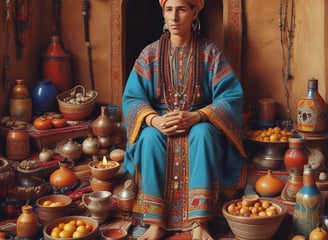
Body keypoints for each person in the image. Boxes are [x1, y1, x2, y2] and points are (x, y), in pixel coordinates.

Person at [122, 0, 247, 239]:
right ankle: (155, 222)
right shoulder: (149, 54)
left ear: (194, 12)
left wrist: (198, 116)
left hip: (199, 121)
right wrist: (153, 120)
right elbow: (132, 98)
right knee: (148, 138)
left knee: (203, 135)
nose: (174, 17)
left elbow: (230, 97)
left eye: (181, 9)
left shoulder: (211, 53)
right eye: (169, 9)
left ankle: (200, 222)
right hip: (160, 122)